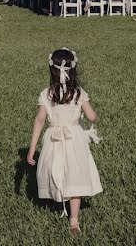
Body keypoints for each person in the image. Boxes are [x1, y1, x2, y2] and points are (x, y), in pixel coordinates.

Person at [26, 48, 102, 235]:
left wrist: (32, 148)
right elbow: (92, 116)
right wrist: (87, 115)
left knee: (56, 169)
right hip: (74, 139)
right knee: (74, 174)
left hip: (54, 139)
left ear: (52, 70)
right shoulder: (79, 93)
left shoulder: (46, 94)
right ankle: (73, 219)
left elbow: (39, 121)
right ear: (73, 70)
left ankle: (58, 199)